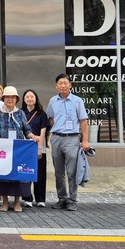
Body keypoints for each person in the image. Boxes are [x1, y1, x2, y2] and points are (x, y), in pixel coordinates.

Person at [0, 86, 39, 212]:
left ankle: (17, 202)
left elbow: (26, 129)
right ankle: (5, 202)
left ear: (16, 99)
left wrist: (32, 136)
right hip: (2, 150)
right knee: (3, 176)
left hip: (17, 151)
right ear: (3, 98)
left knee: (17, 175)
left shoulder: (20, 113)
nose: (10, 99)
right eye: (7, 97)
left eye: (12, 97)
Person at [47, 73, 91, 212]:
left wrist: (85, 140)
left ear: (70, 85)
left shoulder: (77, 101)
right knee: (58, 171)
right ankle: (62, 198)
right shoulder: (53, 101)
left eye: (65, 83)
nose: (63, 86)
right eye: (60, 83)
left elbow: (83, 121)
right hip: (56, 138)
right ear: (56, 86)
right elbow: (50, 119)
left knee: (72, 171)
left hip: (72, 139)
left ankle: (72, 200)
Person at [22, 89, 50, 208]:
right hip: (25, 147)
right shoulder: (21, 113)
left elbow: (43, 131)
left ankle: (40, 199)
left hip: (38, 146)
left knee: (40, 173)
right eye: (27, 97)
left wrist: (40, 147)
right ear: (24, 99)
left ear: (36, 98)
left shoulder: (41, 114)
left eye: (32, 96)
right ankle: (27, 198)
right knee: (25, 172)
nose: (29, 99)